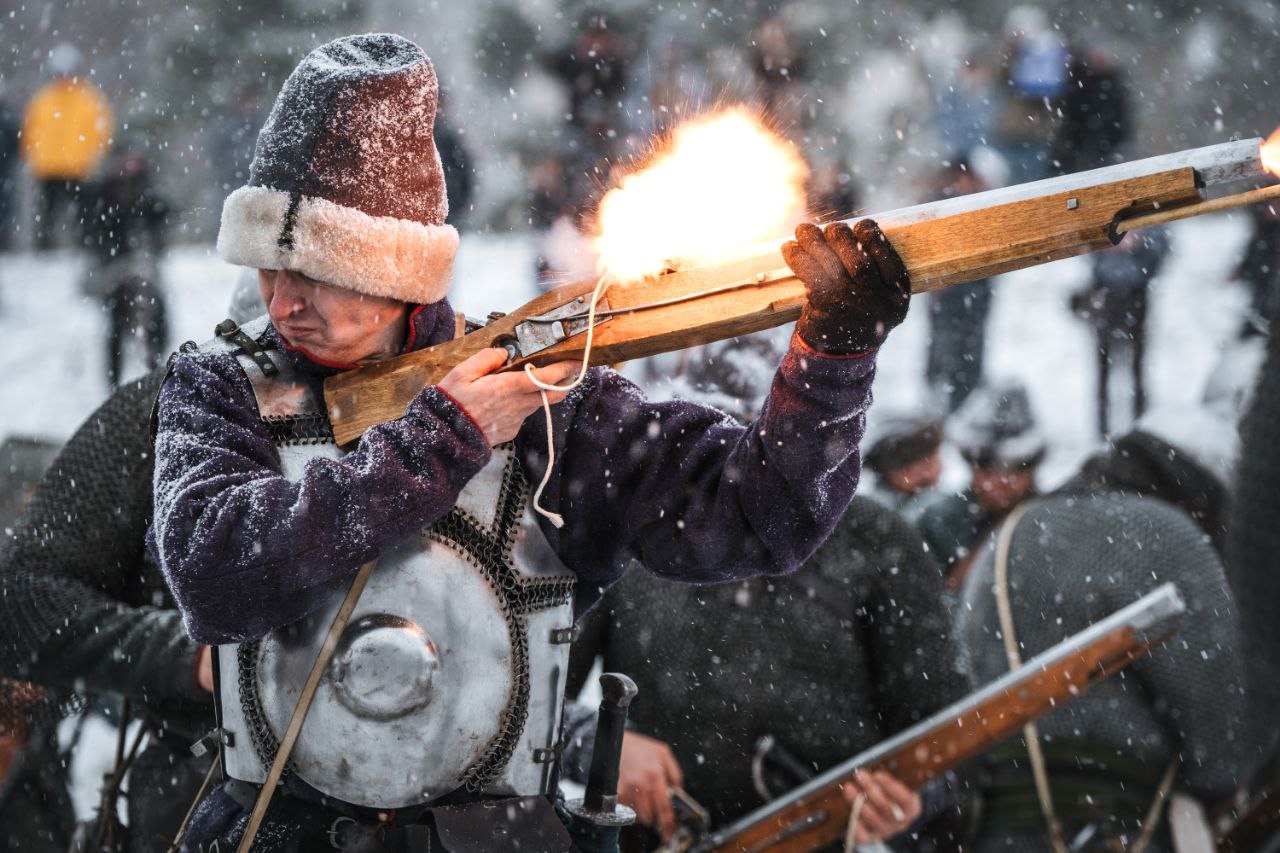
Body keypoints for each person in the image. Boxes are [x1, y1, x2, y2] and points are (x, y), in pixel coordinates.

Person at [148, 34, 911, 850]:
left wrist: (833, 357)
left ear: (401, 268)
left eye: (317, 268)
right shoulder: (221, 385)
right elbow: (215, 572)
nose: (282, 297)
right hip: (281, 828)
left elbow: (762, 516)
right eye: (268, 263)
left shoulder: (549, 399)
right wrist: (446, 439)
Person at [563, 333, 969, 850]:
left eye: (743, 454)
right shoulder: (631, 528)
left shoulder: (877, 542)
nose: (722, 486)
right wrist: (602, 749)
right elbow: (532, 711)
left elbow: (952, 744)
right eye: (699, 457)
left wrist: (911, 800)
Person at [956, 408, 1254, 852]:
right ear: (1197, 491)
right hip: (1119, 825)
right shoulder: (1167, 533)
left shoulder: (1011, 532)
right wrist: (1224, 785)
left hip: (992, 826)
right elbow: (1220, 718)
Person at [0, 369, 217, 852]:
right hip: (189, 793)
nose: (287, 303)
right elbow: (22, 605)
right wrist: (191, 657)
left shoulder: (423, 411)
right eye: (278, 285)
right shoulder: (172, 405)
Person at [916, 381, 1045, 585]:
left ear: (1031, 469)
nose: (997, 483)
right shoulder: (938, 523)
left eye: (1012, 470)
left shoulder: (1055, 521)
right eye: (986, 469)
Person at [82, 149, 171, 387]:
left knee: (156, 312)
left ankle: (155, 370)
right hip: (112, 267)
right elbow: (92, 231)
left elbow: (161, 218)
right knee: (116, 321)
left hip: (140, 265)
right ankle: (114, 382)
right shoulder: (102, 193)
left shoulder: (146, 192)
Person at [1071, 228, 1170, 437]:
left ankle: (1140, 425)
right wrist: (1103, 244)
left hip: (1136, 295)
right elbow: (1082, 241)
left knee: (1137, 366)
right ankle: (1102, 430)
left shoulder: (1150, 213)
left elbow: (1163, 245)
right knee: (1102, 366)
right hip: (1105, 293)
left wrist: (1139, 244)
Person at [20, 43, 112, 250]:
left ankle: (85, 250)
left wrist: (92, 157)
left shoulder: (90, 100)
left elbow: (102, 132)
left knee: (85, 214)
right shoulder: (42, 101)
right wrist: (33, 156)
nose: (65, 77)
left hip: (80, 168)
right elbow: (30, 131)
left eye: (69, 72)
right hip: (48, 168)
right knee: (47, 215)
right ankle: (45, 251)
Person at [926, 161, 993, 413]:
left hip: (974, 300)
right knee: (943, 353)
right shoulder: (938, 207)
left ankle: (964, 406)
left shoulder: (982, 206)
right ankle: (940, 407)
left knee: (971, 357)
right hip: (946, 300)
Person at [862, 409, 945, 516]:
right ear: (893, 473)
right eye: (921, 469)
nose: (930, 473)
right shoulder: (876, 504)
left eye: (934, 458)